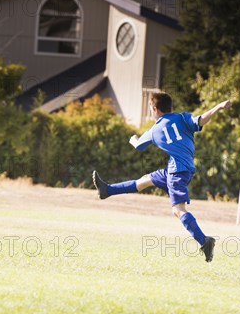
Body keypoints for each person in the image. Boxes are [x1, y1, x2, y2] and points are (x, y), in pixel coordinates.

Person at [92, 92, 232, 262]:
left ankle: (204, 241)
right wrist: (217, 107)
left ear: (154, 109)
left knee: (178, 210)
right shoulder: (182, 117)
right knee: (144, 180)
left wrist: (132, 138)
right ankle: (107, 190)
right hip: (180, 169)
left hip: (176, 172)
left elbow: (138, 146)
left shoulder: (154, 130)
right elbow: (200, 120)